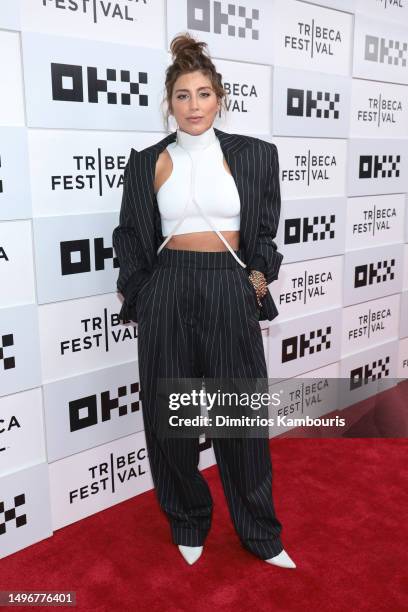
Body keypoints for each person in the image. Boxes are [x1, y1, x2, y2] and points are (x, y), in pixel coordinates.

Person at [112, 33, 296, 569]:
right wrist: (142, 293)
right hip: (167, 287)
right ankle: (188, 519)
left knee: (240, 418)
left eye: (204, 93)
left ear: (220, 97)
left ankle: (261, 533)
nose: (194, 106)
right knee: (171, 418)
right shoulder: (147, 162)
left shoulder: (257, 156)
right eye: (182, 96)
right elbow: (131, 237)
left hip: (228, 285)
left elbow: (263, 233)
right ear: (168, 103)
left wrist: (257, 279)